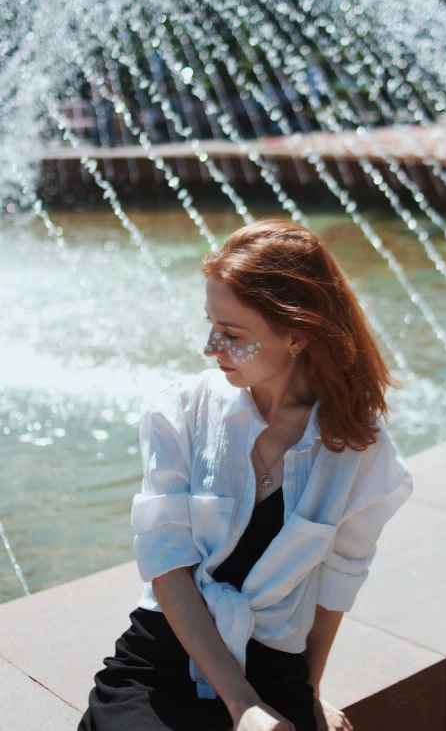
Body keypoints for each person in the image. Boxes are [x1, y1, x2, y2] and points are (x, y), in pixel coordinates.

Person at [78, 218, 413, 731]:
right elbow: (167, 567)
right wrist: (241, 704)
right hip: (163, 654)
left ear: (297, 336)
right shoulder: (181, 410)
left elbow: (337, 585)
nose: (211, 348)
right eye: (211, 324)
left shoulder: (359, 450)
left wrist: (307, 696)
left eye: (232, 334)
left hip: (273, 664)